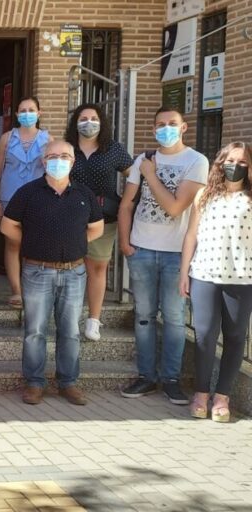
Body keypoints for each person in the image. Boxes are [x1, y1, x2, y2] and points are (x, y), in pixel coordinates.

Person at [1, 140, 104, 406]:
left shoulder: (84, 193)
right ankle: (34, 383)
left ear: (73, 161)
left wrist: (74, 243)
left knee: (70, 331)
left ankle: (68, 382)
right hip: (37, 272)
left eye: (65, 156)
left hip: (74, 272)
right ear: (43, 161)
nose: (59, 161)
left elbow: (97, 228)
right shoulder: (28, 192)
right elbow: (7, 226)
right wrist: (33, 242)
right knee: (35, 330)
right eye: (52, 156)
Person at [118, 106, 209, 405]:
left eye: (172, 123)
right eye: (160, 124)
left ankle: (171, 379)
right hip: (141, 250)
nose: (165, 128)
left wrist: (150, 175)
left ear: (183, 127)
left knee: (173, 318)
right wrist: (125, 242)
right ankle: (146, 376)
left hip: (176, 254)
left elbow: (175, 207)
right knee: (143, 316)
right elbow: (127, 204)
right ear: (153, 128)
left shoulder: (196, 161)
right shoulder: (142, 159)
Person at [179, 142, 252, 423]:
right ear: (220, 163)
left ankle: (222, 396)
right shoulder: (204, 194)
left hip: (242, 278)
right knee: (205, 335)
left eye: (243, 162)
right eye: (230, 161)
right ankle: (201, 393)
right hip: (205, 275)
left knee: (235, 337)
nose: (236, 166)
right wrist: (184, 273)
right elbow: (191, 235)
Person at [65, 104, 133, 341]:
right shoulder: (68, 148)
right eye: (83, 118)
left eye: (93, 118)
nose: (89, 122)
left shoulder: (113, 149)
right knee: (70, 267)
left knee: (97, 267)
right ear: (75, 122)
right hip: (71, 215)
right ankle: (69, 317)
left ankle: (93, 320)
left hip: (104, 217)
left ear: (101, 122)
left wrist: (126, 202)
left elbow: (134, 175)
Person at [0, 96, 52, 308]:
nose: (27, 114)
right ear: (17, 114)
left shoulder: (48, 139)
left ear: (39, 113)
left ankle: (33, 290)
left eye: (31, 109)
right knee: (12, 244)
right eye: (23, 110)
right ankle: (16, 291)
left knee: (34, 244)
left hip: (38, 198)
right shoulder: (7, 138)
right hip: (10, 197)